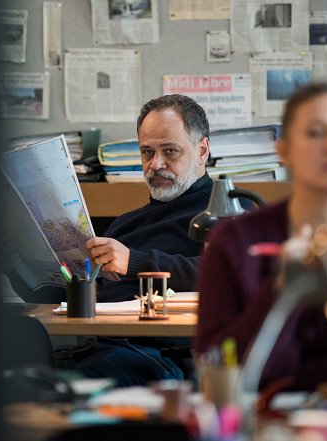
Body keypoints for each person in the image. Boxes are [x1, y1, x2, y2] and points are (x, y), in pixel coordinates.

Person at [194, 82, 327, 397]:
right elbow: (217, 373)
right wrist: (282, 289)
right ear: (283, 150)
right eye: (316, 133)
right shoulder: (236, 241)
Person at [67, 94, 218, 386]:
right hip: (95, 345)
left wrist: (133, 261)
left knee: (63, 389)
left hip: (163, 356)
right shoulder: (125, 224)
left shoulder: (223, 213)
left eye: (170, 151)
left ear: (202, 150)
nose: (155, 164)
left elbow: (219, 274)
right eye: (147, 152)